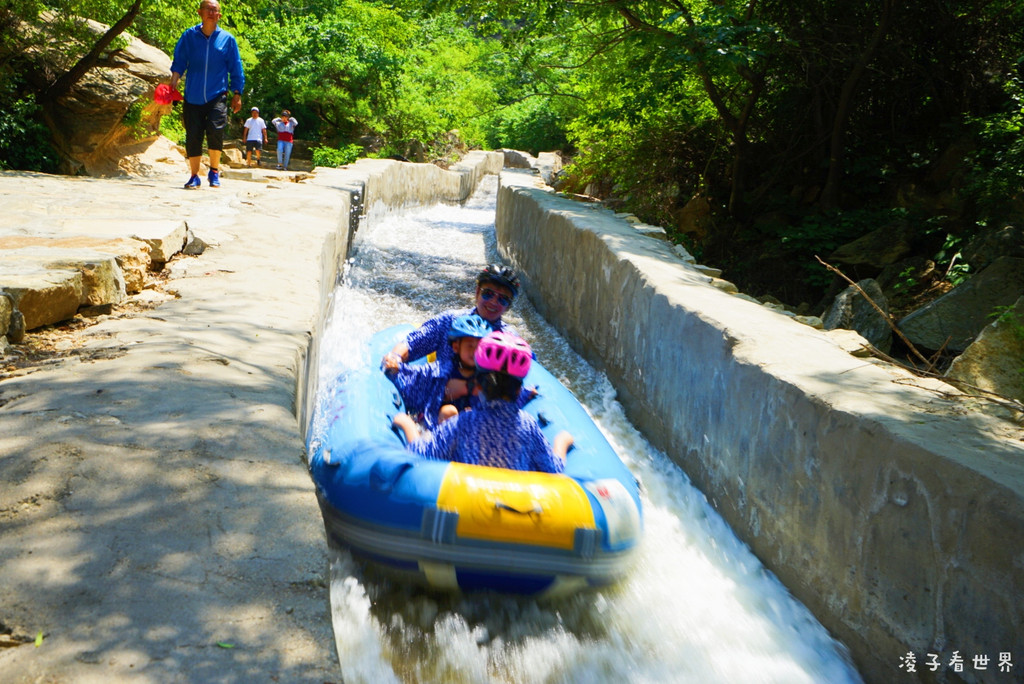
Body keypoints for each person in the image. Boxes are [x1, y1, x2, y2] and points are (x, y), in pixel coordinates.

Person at [393, 332, 572, 473]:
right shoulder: (528, 424)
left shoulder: (464, 423)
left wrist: (407, 424)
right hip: (517, 511)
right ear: (518, 390)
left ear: (477, 386)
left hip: (468, 510)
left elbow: (420, 454)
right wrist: (562, 442)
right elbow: (553, 469)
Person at [384, 264, 520, 372]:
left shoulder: (510, 339)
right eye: (488, 294)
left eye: (503, 299)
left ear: (508, 306)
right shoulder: (450, 320)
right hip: (441, 394)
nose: (494, 302)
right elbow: (412, 343)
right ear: (478, 292)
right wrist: (395, 358)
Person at [169, 0, 245, 190]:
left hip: (217, 94)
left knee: (215, 129)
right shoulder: (189, 36)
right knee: (193, 135)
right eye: (208, 9)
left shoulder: (227, 39)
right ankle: (194, 176)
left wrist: (237, 92)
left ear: (219, 15)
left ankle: (213, 170)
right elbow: (179, 60)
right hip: (192, 94)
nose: (212, 13)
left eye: (215, 10)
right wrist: (174, 78)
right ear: (200, 12)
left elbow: (236, 67)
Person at [383, 313, 490, 429]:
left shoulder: (486, 377)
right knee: (449, 411)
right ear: (456, 347)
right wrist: (396, 367)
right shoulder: (441, 370)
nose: (474, 351)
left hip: (469, 429)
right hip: (435, 423)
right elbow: (414, 376)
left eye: (479, 347)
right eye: (470, 346)